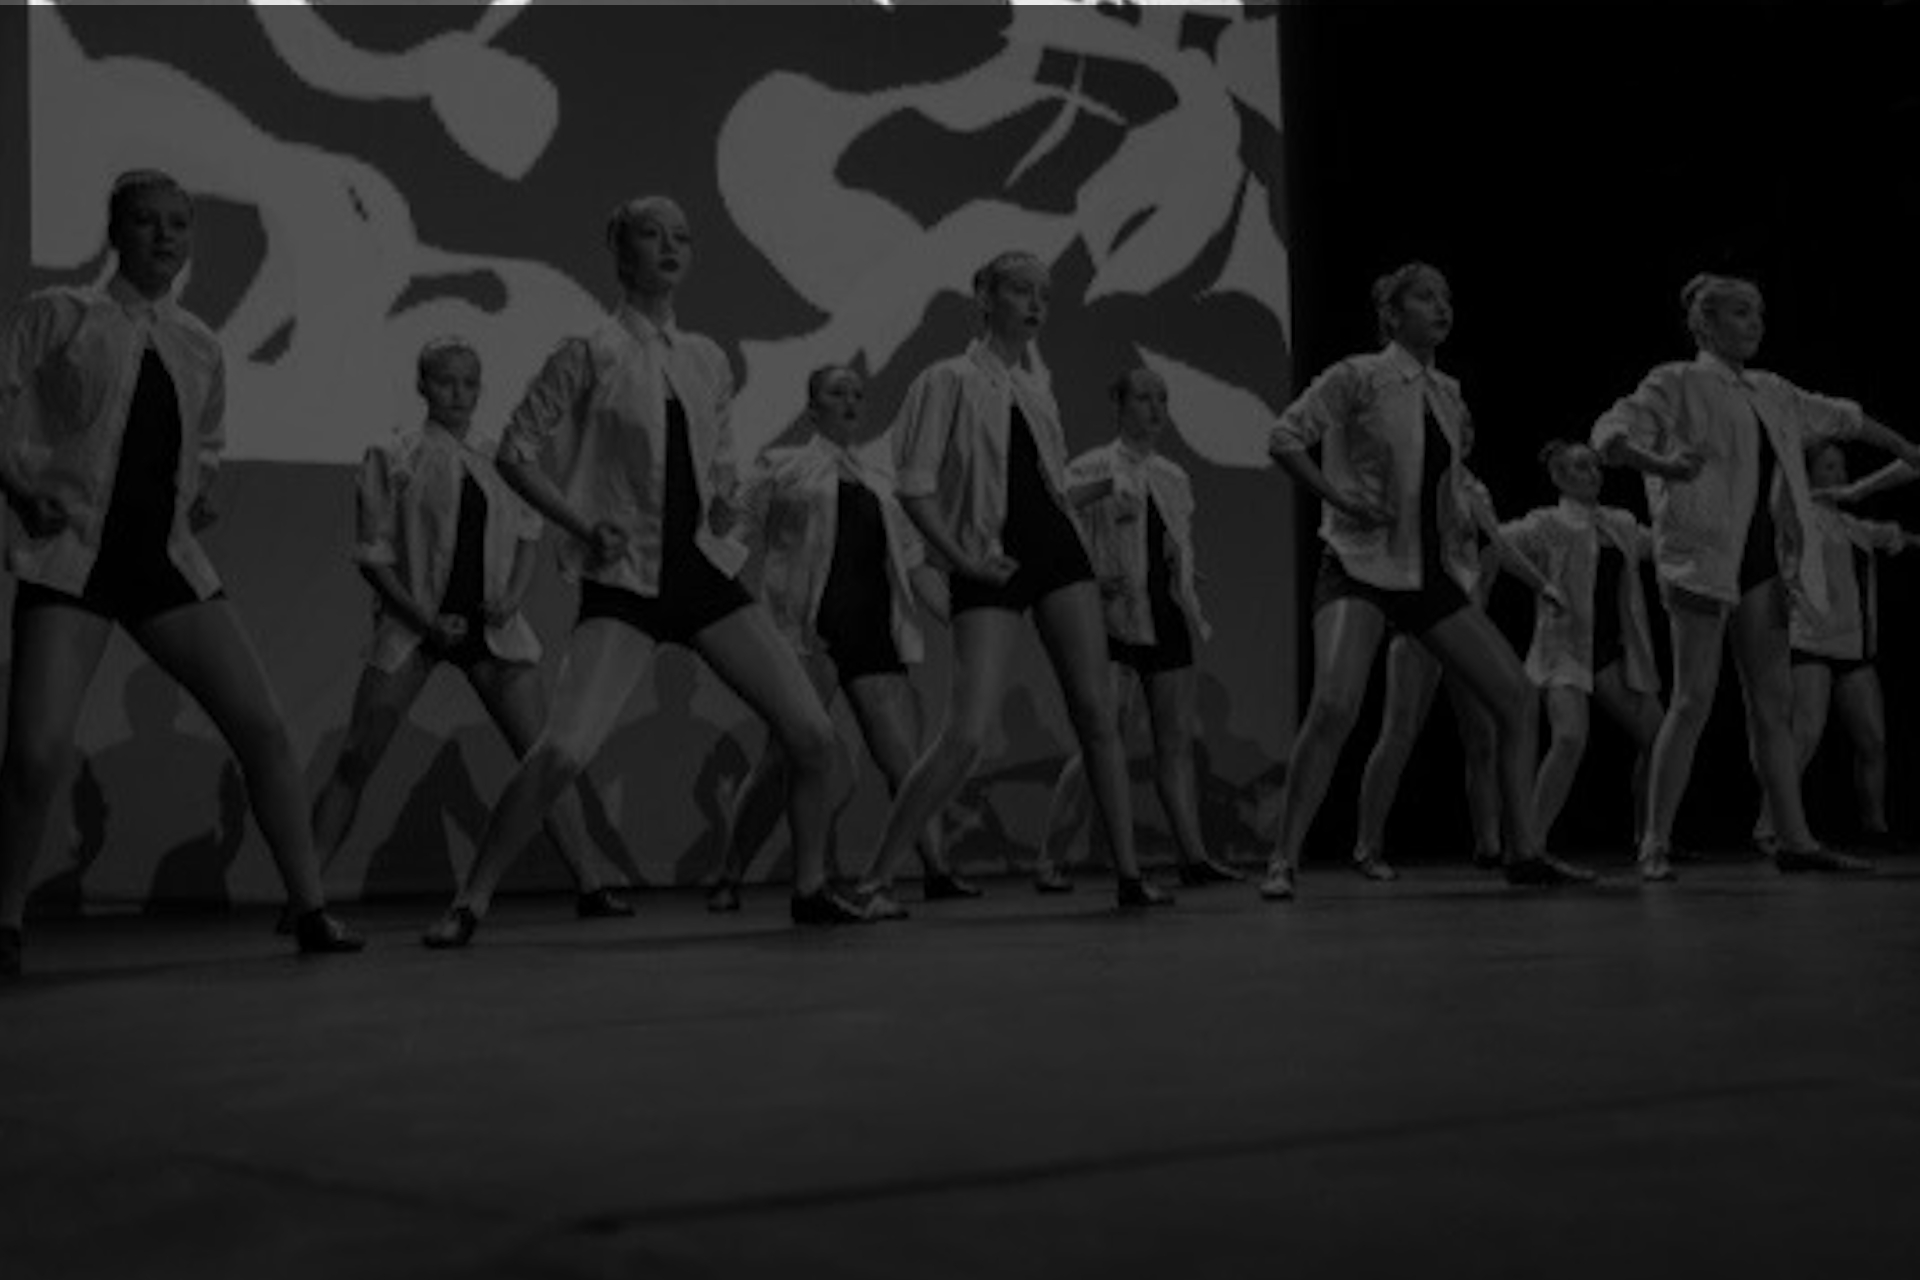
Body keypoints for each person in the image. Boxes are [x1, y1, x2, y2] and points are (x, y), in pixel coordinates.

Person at [421, 195, 866, 946]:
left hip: (700, 578)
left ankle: (812, 887)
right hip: (625, 583)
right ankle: (471, 899)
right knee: (561, 752)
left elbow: (721, 461)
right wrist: (579, 525)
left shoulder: (706, 358)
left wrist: (725, 503)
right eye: (651, 235)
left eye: (681, 237)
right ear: (620, 251)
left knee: (815, 737)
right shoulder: (588, 351)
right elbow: (516, 451)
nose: (670, 247)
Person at [0, 170, 361, 976]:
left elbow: (208, 443)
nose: (164, 236)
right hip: (74, 559)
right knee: (34, 752)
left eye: (178, 223)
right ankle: (6, 920)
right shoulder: (61, 315)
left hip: (164, 564)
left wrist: (199, 492)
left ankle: (310, 909)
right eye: (146, 221)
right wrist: (20, 487)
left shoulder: (198, 343)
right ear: (115, 231)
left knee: (263, 728)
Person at [854, 252, 1173, 910]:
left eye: (1044, 296)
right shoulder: (945, 379)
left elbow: (1048, 493)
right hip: (987, 562)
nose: (1035, 305)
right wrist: (961, 561)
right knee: (966, 732)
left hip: (1059, 558)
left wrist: (1101, 498)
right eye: (1021, 290)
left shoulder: (1036, 391)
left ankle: (1129, 876)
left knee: (1098, 715)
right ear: (984, 296)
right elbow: (913, 488)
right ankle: (874, 879)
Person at [1260, 261, 1587, 901]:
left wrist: (1469, 549)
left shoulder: (1447, 393)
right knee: (1335, 705)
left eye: (1446, 298)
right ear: (1391, 314)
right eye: (1425, 297)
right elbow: (1283, 437)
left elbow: (1445, 489)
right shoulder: (1358, 375)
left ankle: (1524, 852)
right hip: (1358, 565)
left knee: (1516, 698)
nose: (1442, 308)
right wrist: (1341, 499)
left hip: (1426, 574)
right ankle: (1282, 858)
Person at [1591, 272, 1920, 879]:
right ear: (1704, 323)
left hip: (1763, 565)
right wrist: (1659, 462)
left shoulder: (1770, 389)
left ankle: (1793, 838)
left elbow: (1842, 416)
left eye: (1759, 313)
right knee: (1692, 699)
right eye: (1740, 312)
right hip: (1701, 561)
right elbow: (1610, 433)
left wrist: (1905, 446)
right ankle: (1654, 841)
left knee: (1774, 706)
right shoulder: (1677, 380)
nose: (1755, 323)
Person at [304, 337, 631, 926]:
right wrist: (422, 619)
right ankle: (304, 895)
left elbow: (528, 533)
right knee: (356, 757)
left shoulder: (499, 457)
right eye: (446, 381)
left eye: (469, 382)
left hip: (492, 630)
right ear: (422, 385)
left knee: (546, 759)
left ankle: (590, 885)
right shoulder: (393, 454)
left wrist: (514, 595)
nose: (458, 393)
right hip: (414, 626)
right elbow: (373, 556)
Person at [706, 364, 979, 916]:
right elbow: (734, 535)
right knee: (782, 757)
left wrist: (965, 619)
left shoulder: (883, 481)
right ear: (813, 407)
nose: (851, 401)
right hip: (808, 631)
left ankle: (937, 869)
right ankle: (729, 874)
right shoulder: (781, 465)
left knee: (904, 761)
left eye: (858, 393)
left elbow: (914, 565)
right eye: (837, 392)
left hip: (872, 630)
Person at [1033, 366, 1243, 891]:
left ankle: (1193, 858)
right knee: (1102, 738)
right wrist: (1094, 569)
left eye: (1162, 399)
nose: (1155, 409)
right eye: (1144, 398)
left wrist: (1184, 569)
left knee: (1175, 742)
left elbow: (1172, 541)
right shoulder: (1091, 467)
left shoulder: (1173, 476)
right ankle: (1049, 860)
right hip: (1112, 619)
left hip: (1166, 614)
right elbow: (1056, 514)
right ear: (1120, 405)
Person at [1348, 415, 1542, 880]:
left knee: (1484, 736)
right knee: (1399, 731)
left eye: (1469, 427)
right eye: (1455, 428)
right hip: (1423, 620)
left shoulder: (1475, 489)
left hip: (1467, 620)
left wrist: (1542, 585)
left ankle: (1489, 843)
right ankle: (1366, 846)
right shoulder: (1419, 483)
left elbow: (1498, 547)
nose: (1464, 435)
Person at [1751, 439, 1918, 854]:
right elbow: (1783, 488)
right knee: (1804, 736)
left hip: (1854, 646)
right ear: (1807, 475)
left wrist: (1862, 491)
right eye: (1828, 467)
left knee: (1873, 741)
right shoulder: (1795, 516)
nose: (1838, 474)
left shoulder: (1853, 527)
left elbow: (1901, 530)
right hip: (1809, 641)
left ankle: (1875, 827)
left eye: (1841, 467)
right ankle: (1767, 826)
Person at [1500, 441, 1664, 862]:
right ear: (1558, 476)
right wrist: (1539, 582)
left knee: (1660, 739)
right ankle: (1529, 845)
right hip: (1563, 650)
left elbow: (1664, 546)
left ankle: (1650, 837)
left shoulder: (1620, 523)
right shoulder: (1546, 524)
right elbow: (1496, 541)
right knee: (1570, 737)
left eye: (1595, 466)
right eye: (1580, 467)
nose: (1593, 474)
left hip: (1609, 654)